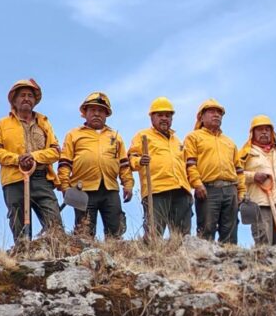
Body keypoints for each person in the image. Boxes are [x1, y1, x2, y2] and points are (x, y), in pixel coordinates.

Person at [0, 78, 63, 243]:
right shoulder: (2, 124)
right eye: (22, 95)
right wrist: (18, 159)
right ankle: (24, 253)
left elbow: (55, 151)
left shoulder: (44, 122)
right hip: (14, 179)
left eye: (30, 96)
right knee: (19, 227)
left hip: (41, 178)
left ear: (35, 101)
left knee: (54, 223)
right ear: (14, 100)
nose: (26, 98)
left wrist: (34, 157)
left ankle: (55, 253)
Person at [57, 92, 133, 238]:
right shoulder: (73, 134)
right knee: (84, 233)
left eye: (101, 110)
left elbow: (124, 164)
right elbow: (65, 162)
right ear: (85, 113)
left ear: (106, 114)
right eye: (92, 110)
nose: (97, 114)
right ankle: (85, 252)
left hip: (110, 189)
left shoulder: (115, 137)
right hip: (82, 190)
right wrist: (65, 186)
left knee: (115, 231)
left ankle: (113, 252)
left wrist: (128, 184)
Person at [183, 99, 246, 244]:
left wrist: (241, 191)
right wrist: (197, 184)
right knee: (206, 230)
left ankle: (229, 258)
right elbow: (190, 164)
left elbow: (239, 169)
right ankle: (204, 257)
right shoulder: (193, 137)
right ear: (201, 117)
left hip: (231, 189)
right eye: (211, 112)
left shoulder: (229, 142)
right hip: (207, 189)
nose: (216, 115)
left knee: (230, 232)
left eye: (219, 113)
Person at [128, 97, 193, 238]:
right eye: (160, 115)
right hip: (157, 190)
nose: (164, 118)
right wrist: (140, 161)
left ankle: (180, 253)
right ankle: (153, 252)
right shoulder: (143, 136)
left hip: (181, 190)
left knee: (183, 236)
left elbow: (186, 165)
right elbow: (131, 158)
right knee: (154, 233)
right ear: (152, 117)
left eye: (168, 115)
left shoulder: (177, 141)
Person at [239, 115, 276, 246]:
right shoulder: (246, 153)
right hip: (259, 204)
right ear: (253, 133)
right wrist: (253, 176)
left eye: (267, 129)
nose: (264, 132)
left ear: (272, 132)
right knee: (263, 244)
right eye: (260, 129)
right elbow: (235, 175)